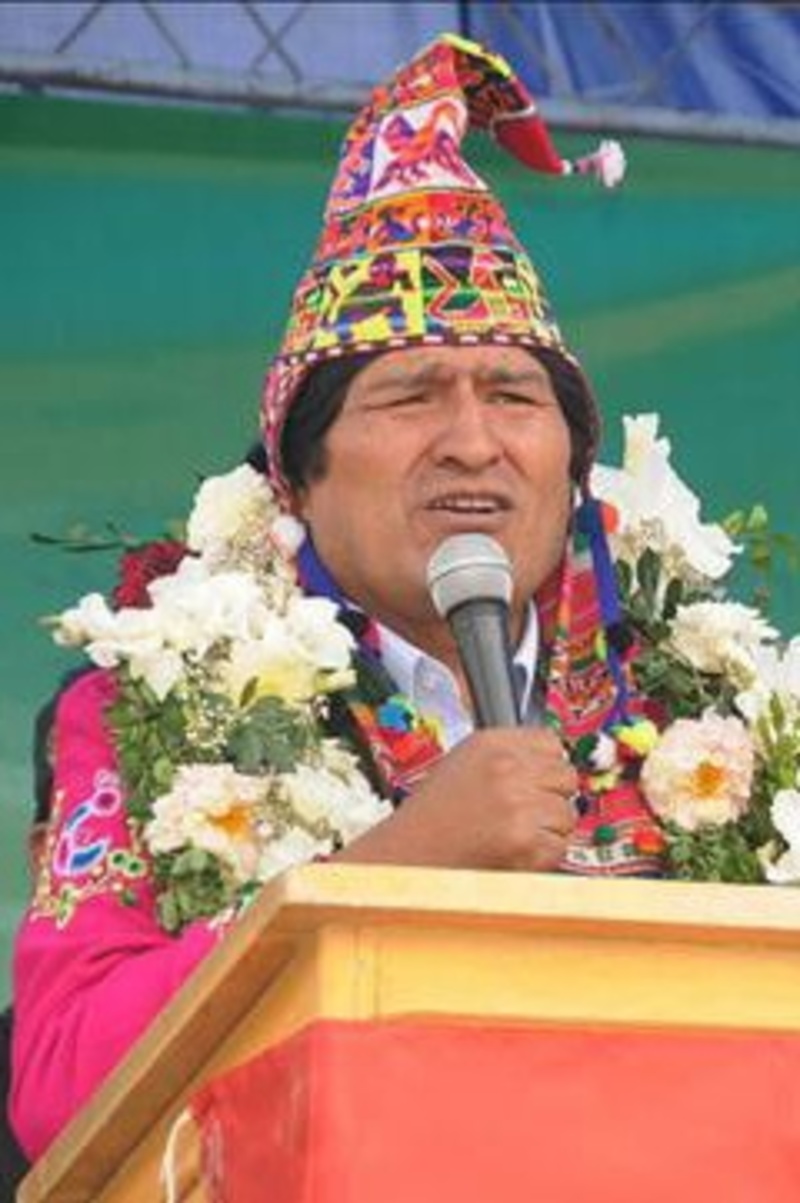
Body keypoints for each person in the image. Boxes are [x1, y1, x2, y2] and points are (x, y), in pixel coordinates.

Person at [10, 32, 661, 1163]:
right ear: (296, 481)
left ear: (573, 468)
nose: (473, 443)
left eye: (514, 396)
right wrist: (397, 863)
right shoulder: (147, 707)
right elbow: (61, 1085)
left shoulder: (701, 713)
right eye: (410, 397)